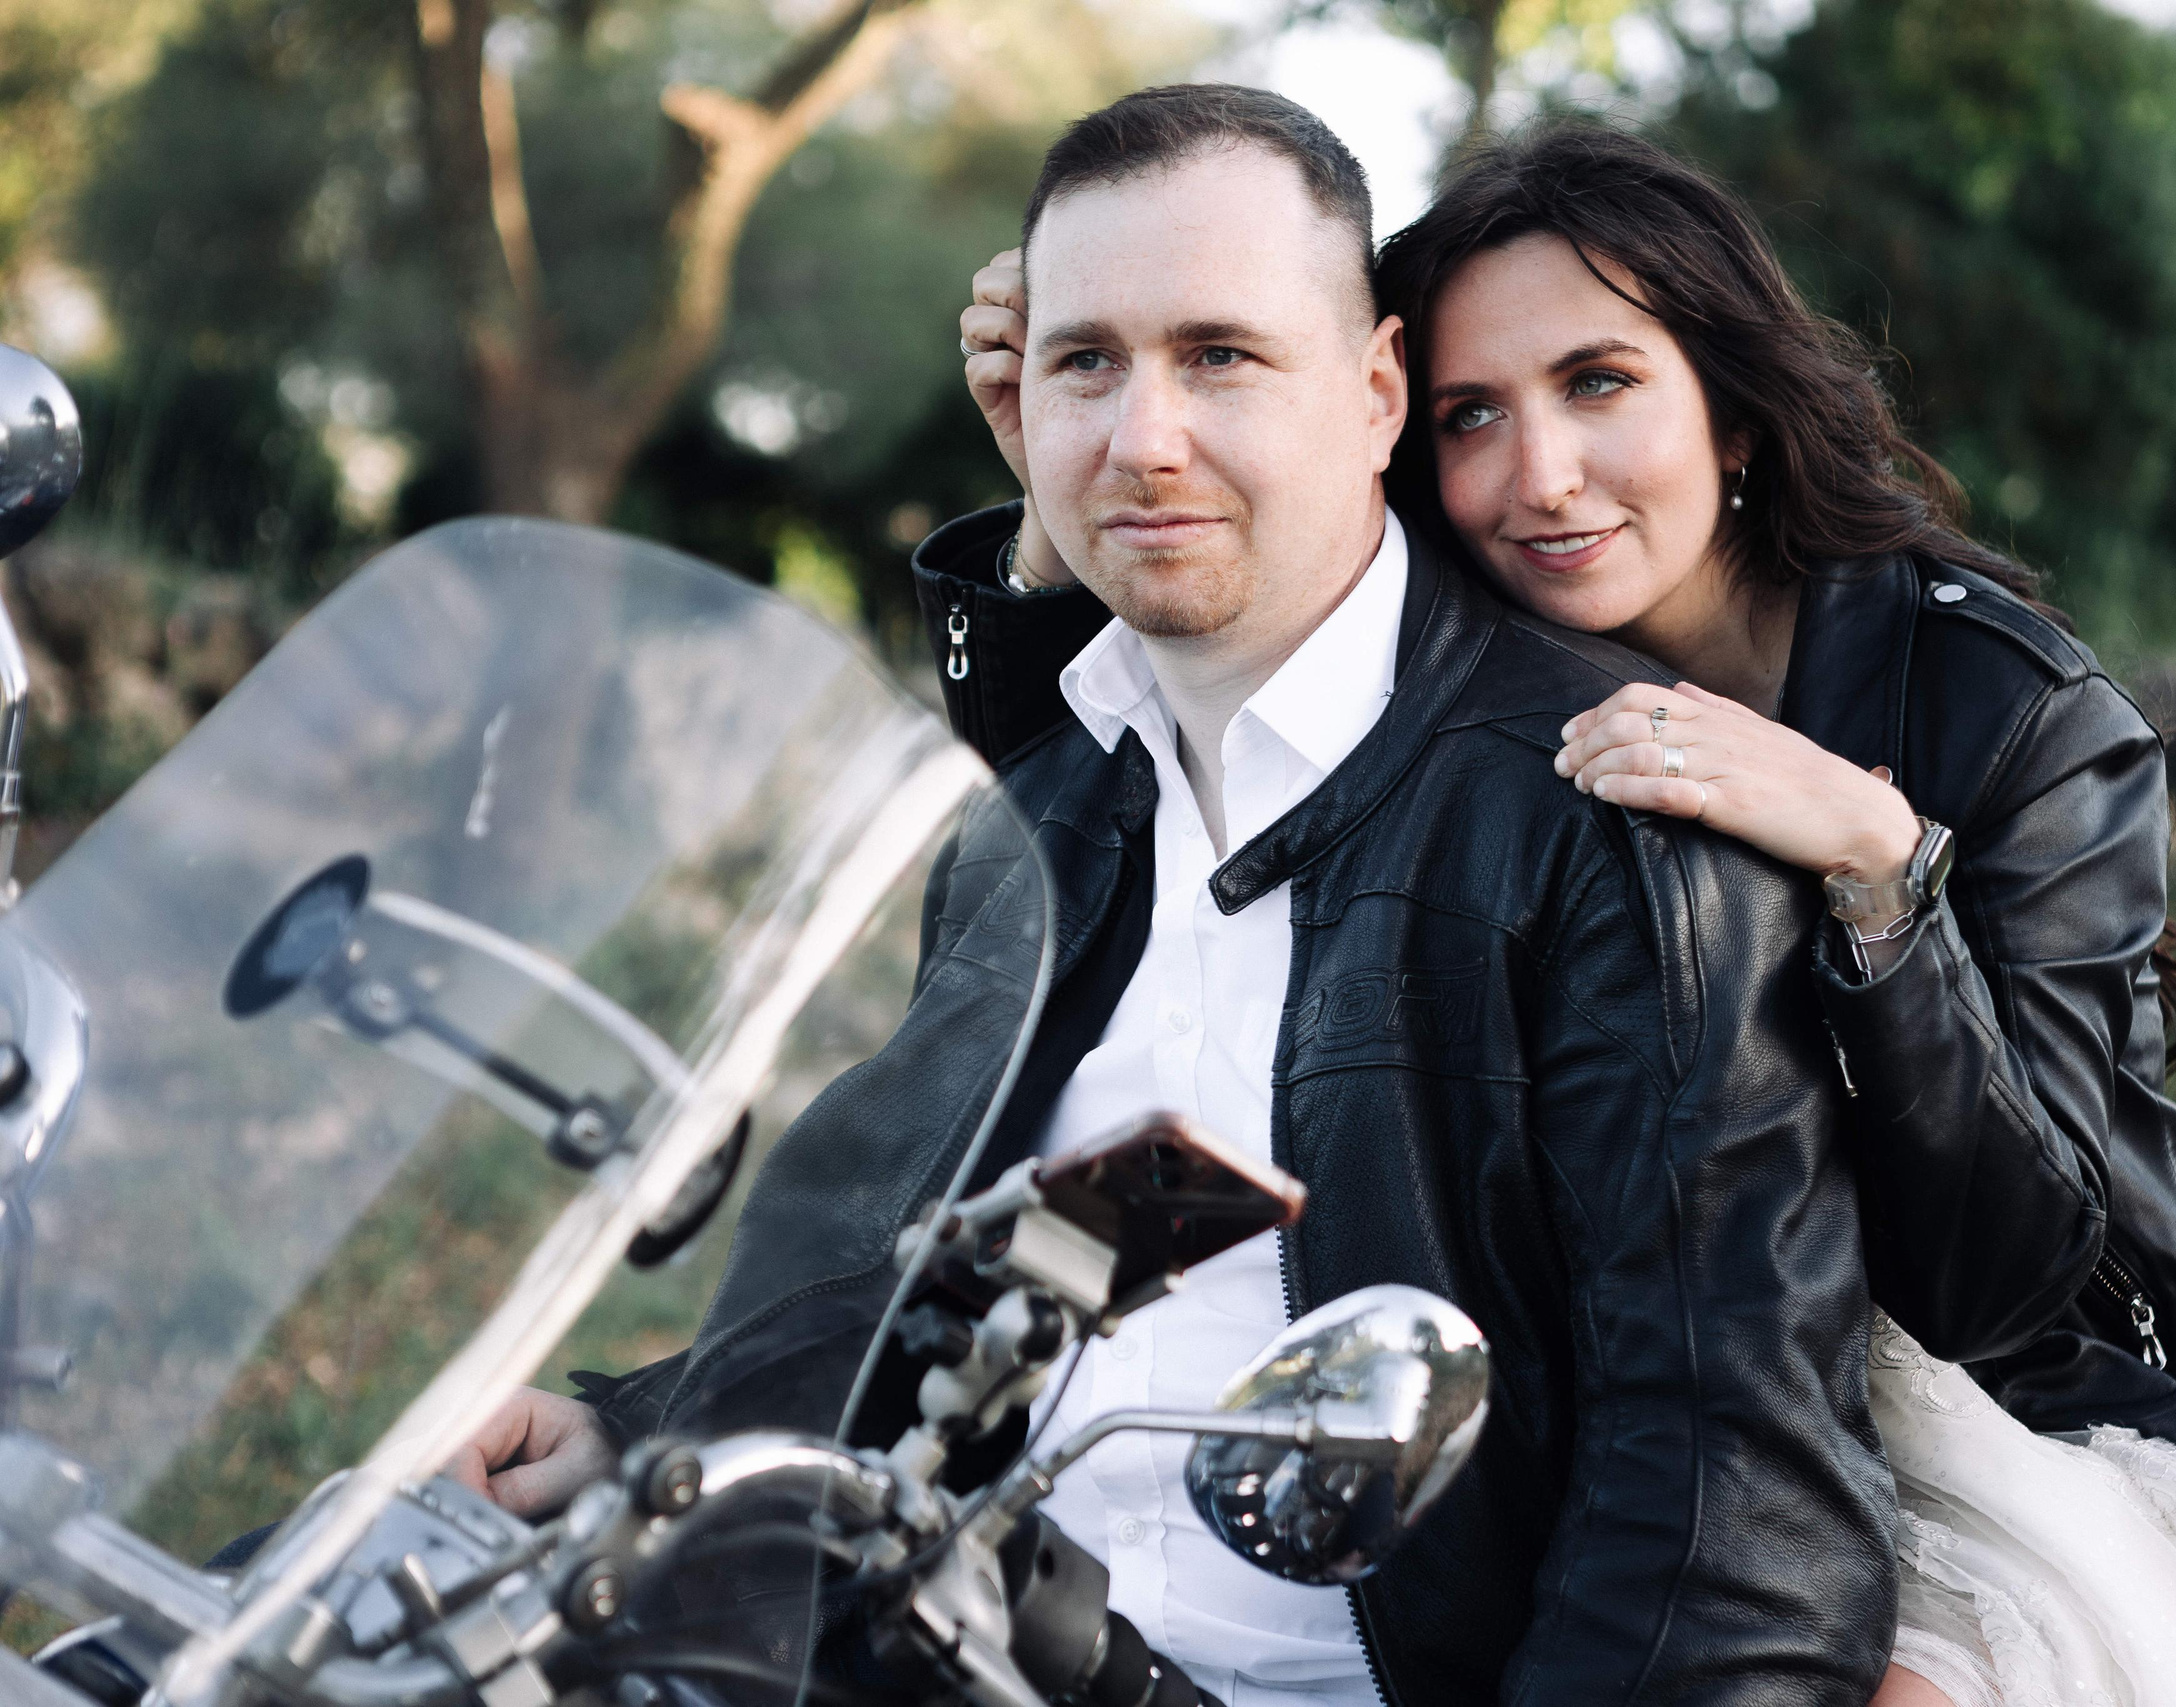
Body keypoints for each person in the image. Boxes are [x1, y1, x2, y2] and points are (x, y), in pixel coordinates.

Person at [928, 119, 2176, 1706]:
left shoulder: (2005, 709)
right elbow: (1114, 832)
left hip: (1986, 1395)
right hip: (1657, 1346)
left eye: (1601, 384)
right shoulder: (1466, 646)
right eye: (1476, 413)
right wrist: (1066, 497)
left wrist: (1883, 874)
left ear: (1735, 413)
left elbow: (2008, 1266)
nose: (1540, 476)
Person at [459, 87, 1900, 1706]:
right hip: (949, 1639)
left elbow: (1728, 1518)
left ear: (1372, 395)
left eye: (1220, 355)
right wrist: (641, 1435)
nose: (1144, 439)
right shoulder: (1058, 807)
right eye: (1088, 361)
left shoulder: (1613, 820)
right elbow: (1048, 1251)